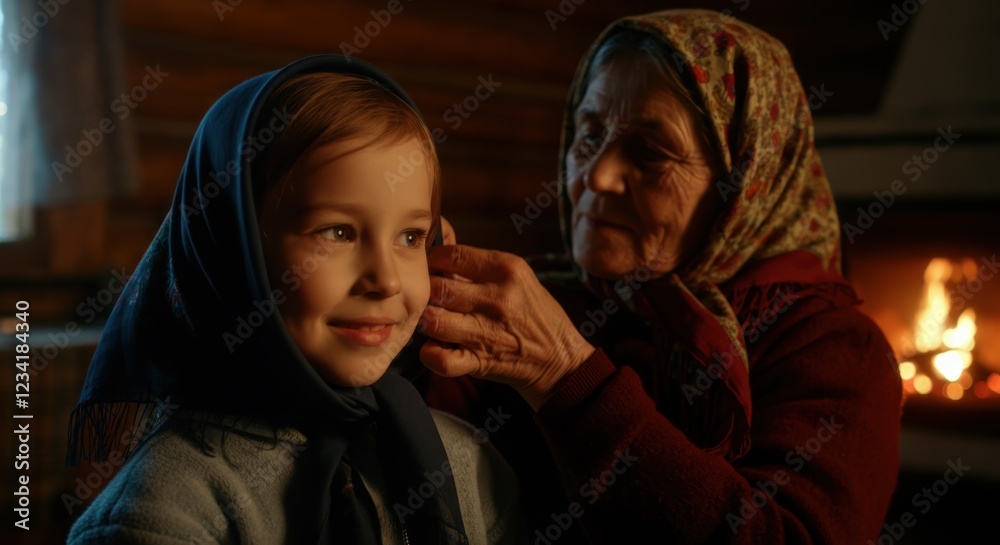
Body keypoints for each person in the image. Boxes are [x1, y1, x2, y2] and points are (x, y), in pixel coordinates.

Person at [418, 9, 903, 544]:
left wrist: (566, 377)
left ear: (746, 182)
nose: (595, 176)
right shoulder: (557, 302)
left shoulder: (837, 350)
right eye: (588, 135)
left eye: (650, 152)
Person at [65, 54, 526, 545]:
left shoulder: (470, 468)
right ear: (235, 254)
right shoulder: (160, 516)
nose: (386, 280)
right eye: (338, 232)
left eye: (411, 237)